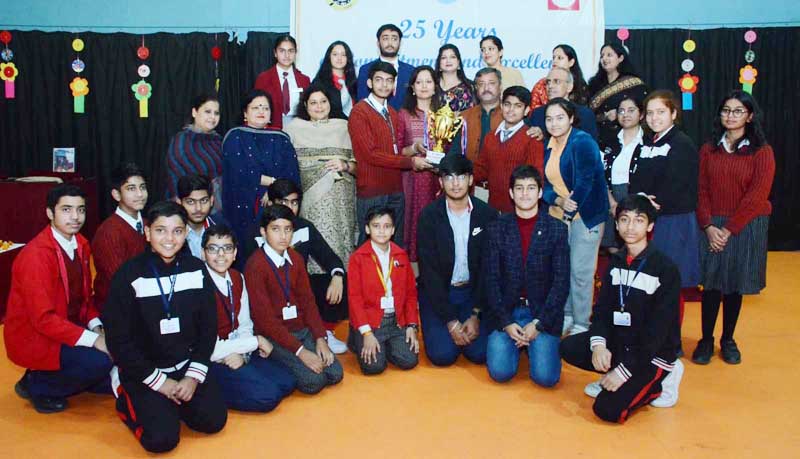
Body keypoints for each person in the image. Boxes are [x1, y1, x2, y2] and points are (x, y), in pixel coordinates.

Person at [104, 201, 226, 453]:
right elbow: (118, 340)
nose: (169, 239)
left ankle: (171, 403)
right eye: (160, 230)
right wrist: (160, 383)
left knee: (214, 421)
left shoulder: (196, 269)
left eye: (177, 231)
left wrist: (193, 376)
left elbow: (208, 328)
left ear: (186, 233)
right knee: (161, 441)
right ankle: (126, 399)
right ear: (148, 233)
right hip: (145, 371)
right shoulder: (129, 275)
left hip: (185, 367)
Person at [560, 194, 684, 423]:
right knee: (569, 347)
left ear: (650, 226)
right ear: (616, 225)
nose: (631, 227)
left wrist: (623, 371)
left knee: (607, 410)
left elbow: (657, 333)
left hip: (652, 354)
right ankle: (616, 374)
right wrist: (599, 346)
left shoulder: (665, 269)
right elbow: (602, 311)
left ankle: (662, 381)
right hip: (623, 342)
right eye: (625, 220)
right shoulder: (616, 262)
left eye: (639, 220)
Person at [5, 184, 112, 414]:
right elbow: (43, 319)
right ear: (49, 213)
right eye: (66, 209)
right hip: (37, 335)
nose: (75, 217)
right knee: (101, 362)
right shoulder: (36, 256)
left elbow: (85, 299)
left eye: (80, 210)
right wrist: (94, 340)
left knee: (118, 345)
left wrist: (97, 328)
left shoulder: (81, 244)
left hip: (68, 325)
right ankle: (37, 385)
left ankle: (56, 374)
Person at [693, 90, 775, 365]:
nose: (730, 116)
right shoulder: (709, 149)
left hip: (744, 226)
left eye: (738, 111)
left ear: (749, 116)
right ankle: (706, 339)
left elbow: (757, 196)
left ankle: (728, 339)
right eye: (726, 110)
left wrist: (728, 230)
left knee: (733, 285)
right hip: (711, 225)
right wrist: (707, 225)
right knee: (711, 284)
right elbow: (701, 189)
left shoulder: (762, 152)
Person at [242, 179, 349, 354]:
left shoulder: (305, 226)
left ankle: (323, 331)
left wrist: (337, 276)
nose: (290, 208)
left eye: (294, 202)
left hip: (298, 286)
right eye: (283, 202)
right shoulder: (257, 232)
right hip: (270, 295)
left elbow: (328, 256)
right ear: (270, 203)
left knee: (342, 280)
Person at [244, 205, 343, 394]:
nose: (283, 236)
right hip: (273, 336)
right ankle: (272, 361)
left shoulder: (296, 259)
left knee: (335, 373)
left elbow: (308, 303)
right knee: (314, 381)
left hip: (301, 330)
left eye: (288, 229)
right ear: (263, 232)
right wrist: (301, 352)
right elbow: (266, 322)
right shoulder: (255, 266)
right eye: (275, 229)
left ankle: (300, 357)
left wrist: (320, 338)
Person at [629, 90, 700, 354]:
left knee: (669, 284)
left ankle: (671, 342)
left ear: (673, 114)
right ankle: (652, 337)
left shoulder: (682, 143)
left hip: (673, 223)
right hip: (649, 221)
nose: (654, 118)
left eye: (661, 112)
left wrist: (651, 202)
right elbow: (636, 181)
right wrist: (641, 198)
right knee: (649, 283)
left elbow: (680, 184)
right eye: (650, 113)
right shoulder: (646, 143)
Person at [484, 165, 568, 385]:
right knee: (500, 373)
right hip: (508, 311)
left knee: (546, 378)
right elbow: (491, 280)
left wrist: (539, 324)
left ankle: (535, 345)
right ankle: (518, 344)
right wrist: (506, 322)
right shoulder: (496, 228)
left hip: (541, 312)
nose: (524, 194)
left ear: (540, 193)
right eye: (519, 188)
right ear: (511, 193)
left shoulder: (557, 229)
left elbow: (561, 283)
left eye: (531, 188)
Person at [202, 224, 296, 412]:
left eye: (227, 248)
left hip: (238, 349)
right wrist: (255, 342)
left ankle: (244, 375)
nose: (221, 255)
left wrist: (243, 355)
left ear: (235, 253)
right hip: (211, 358)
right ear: (203, 254)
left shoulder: (238, 278)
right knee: (268, 396)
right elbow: (204, 347)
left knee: (288, 382)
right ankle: (209, 392)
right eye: (213, 249)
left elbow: (245, 324)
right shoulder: (198, 285)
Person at [417, 154, 498, 366]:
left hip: (472, 293)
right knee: (442, 355)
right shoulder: (428, 216)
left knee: (480, 353)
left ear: (470, 180)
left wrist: (476, 314)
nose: (455, 183)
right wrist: (451, 322)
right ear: (441, 181)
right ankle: (448, 326)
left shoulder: (487, 215)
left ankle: (470, 322)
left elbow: (489, 269)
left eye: (461, 177)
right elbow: (429, 274)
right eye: (449, 177)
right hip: (440, 293)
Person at [542, 98, 609, 335]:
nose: (554, 123)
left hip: (585, 216)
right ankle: (567, 314)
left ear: (571, 118)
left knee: (581, 272)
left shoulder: (583, 141)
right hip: (558, 216)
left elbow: (585, 181)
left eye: (560, 118)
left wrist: (570, 208)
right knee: (562, 270)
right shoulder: (548, 144)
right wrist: (558, 201)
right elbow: (545, 186)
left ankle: (582, 323)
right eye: (549, 119)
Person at [349, 61, 432, 246]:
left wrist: (414, 148)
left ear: (394, 85)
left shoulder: (393, 113)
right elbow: (371, 154)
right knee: (369, 246)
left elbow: (396, 150)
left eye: (389, 80)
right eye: (379, 80)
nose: (384, 85)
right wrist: (411, 162)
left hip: (395, 190)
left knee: (395, 245)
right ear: (369, 83)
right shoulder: (359, 112)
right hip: (372, 192)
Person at [284, 83, 357, 269]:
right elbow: (288, 168)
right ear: (305, 105)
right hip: (311, 202)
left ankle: (341, 278)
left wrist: (345, 165)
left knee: (342, 248)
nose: (319, 107)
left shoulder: (344, 127)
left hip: (341, 201)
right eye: (313, 103)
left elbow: (358, 166)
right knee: (314, 247)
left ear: (330, 103)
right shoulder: (294, 128)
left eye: (323, 101)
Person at [222, 89, 300, 254]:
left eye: (265, 108)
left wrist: (273, 193)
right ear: (245, 113)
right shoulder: (234, 137)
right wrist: (272, 184)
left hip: (278, 205)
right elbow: (238, 173)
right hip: (242, 205)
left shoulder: (281, 138)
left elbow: (291, 174)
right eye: (256, 108)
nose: (261, 111)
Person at [347, 206, 420, 374]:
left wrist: (411, 325)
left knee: (409, 360)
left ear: (393, 230)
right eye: (376, 226)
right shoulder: (358, 258)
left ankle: (387, 344)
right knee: (374, 367)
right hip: (370, 322)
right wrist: (366, 333)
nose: (382, 231)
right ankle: (356, 337)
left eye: (387, 226)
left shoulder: (401, 255)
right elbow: (354, 298)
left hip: (395, 321)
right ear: (367, 229)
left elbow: (410, 293)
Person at [474, 86, 544, 213]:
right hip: (493, 208)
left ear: (526, 110)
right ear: (501, 106)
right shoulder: (490, 137)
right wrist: (458, 171)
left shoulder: (532, 138)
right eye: (507, 104)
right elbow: (481, 169)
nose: (511, 110)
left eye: (518, 106)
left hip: (520, 210)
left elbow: (535, 178)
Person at [397, 65, 442, 260]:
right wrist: (414, 149)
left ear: (435, 87)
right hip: (412, 180)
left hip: (438, 181)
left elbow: (450, 149)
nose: (424, 86)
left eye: (428, 81)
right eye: (419, 82)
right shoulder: (403, 115)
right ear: (413, 88)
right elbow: (397, 151)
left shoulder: (445, 116)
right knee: (411, 224)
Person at [92, 163, 148, 311]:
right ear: (116, 195)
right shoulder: (108, 232)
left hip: (147, 302)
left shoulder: (150, 225)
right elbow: (120, 283)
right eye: (131, 189)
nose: (140, 194)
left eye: (142, 187)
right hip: (117, 309)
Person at [165, 94, 223, 212]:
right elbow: (178, 177)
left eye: (216, 113)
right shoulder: (182, 140)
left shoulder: (219, 141)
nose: (213, 117)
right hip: (190, 209)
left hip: (220, 206)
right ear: (194, 112)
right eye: (208, 111)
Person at [600, 96, 644, 250]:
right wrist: (612, 203)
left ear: (641, 114)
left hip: (637, 198)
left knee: (635, 246)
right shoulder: (609, 142)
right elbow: (600, 175)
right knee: (613, 247)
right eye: (621, 111)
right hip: (611, 198)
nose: (626, 115)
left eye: (631, 110)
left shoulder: (648, 142)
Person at [587, 43, 648, 151]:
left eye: (609, 55)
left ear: (620, 58)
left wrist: (619, 113)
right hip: (598, 137)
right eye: (602, 56)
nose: (604, 59)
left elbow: (642, 110)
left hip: (625, 137)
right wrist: (604, 117)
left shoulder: (634, 84)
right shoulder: (593, 85)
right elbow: (588, 113)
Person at [525, 66, 598, 141]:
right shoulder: (537, 114)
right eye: (548, 82)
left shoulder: (584, 114)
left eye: (556, 81)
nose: (550, 86)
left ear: (569, 87)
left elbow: (590, 145)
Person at [254, 35, 311, 129]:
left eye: (291, 51)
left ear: (295, 53)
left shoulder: (304, 80)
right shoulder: (263, 79)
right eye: (282, 51)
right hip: (272, 128)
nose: (287, 55)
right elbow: (256, 107)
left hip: (299, 129)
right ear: (275, 53)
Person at [448, 67, 504, 163]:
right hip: (469, 170)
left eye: (491, 83)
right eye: (481, 84)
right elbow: (455, 151)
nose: (486, 88)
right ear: (476, 88)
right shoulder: (464, 116)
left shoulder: (511, 115)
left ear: (500, 87)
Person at [356, 24, 415, 110]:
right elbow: (362, 102)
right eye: (385, 39)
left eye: (394, 39)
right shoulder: (366, 69)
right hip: (374, 117)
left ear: (400, 43)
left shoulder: (411, 71)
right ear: (378, 43)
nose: (390, 43)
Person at [176, 173, 228, 259]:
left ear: (211, 201)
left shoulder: (222, 226)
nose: (198, 208)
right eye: (190, 202)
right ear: (179, 203)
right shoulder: (173, 233)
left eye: (203, 201)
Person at [529, 44, 589, 110]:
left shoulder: (581, 86)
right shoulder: (542, 84)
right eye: (553, 58)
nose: (555, 61)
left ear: (571, 62)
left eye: (560, 58)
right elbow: (534, 109)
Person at [312, 41, 358, 117]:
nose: (339, 58)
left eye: (343, 55)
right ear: (329, 57)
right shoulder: (319, 82)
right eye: (335, 54)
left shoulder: (354, 82)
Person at [435, 44, 476, 113]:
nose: (448, 60)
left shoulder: (470, 87)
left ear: (458, 63)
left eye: (452, 57)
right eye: (444, 58)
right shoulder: (431, 86)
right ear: (439, 64)